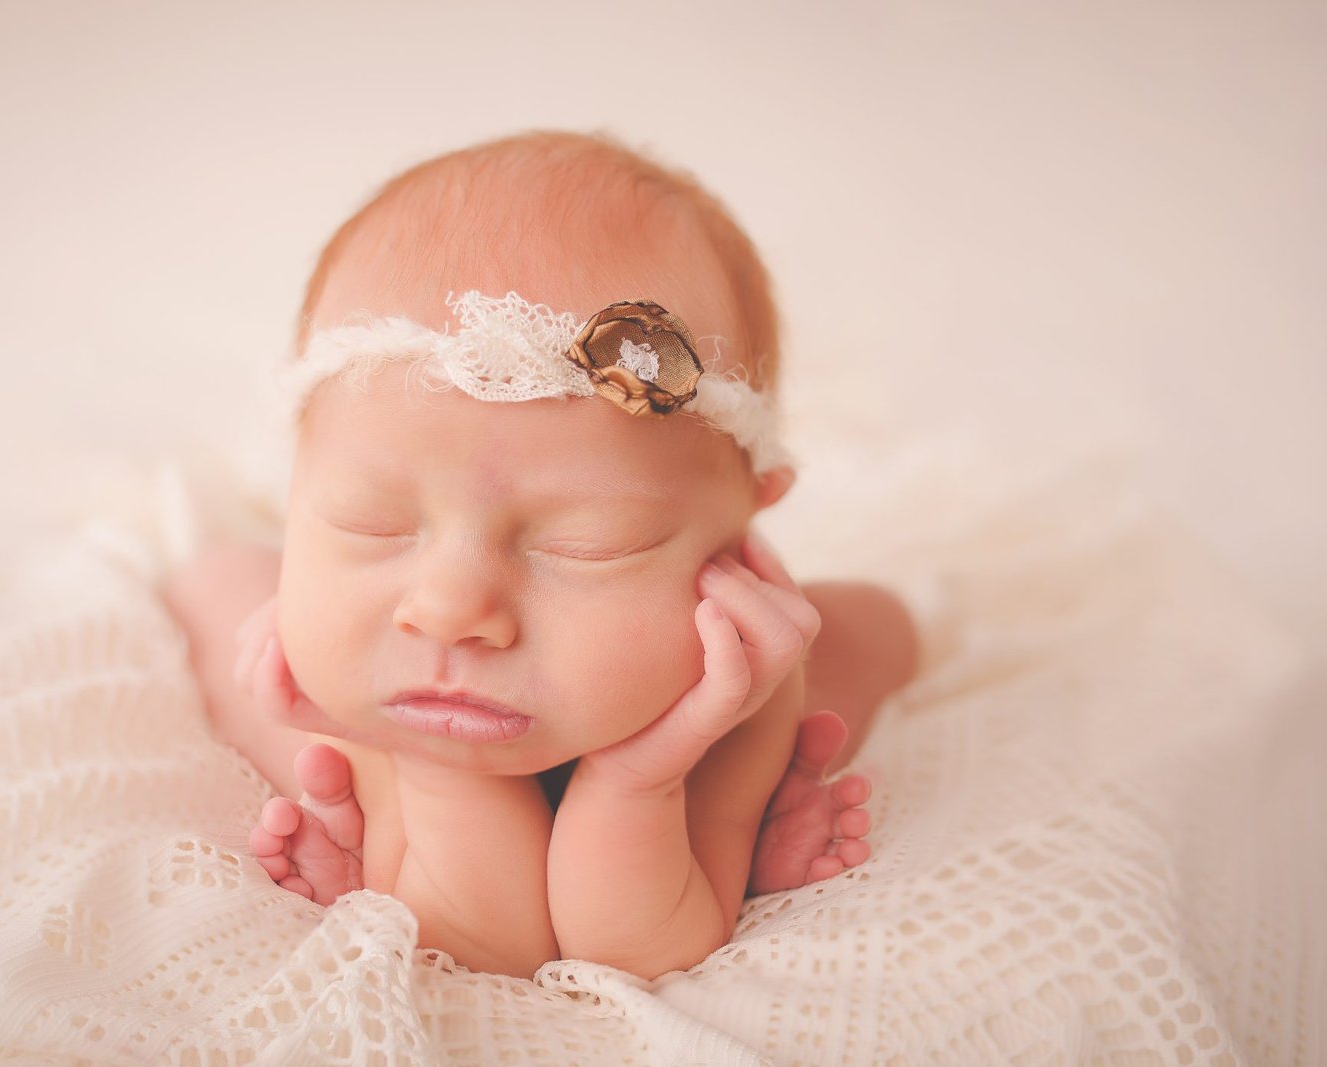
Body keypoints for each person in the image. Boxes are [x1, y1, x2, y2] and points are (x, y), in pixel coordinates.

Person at [158, 129, 920, 980]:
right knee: (220, 582)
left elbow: (629, 953)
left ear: (742, 531)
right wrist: (431, 764)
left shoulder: (727, 693)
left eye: (585, 543)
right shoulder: (380, 680)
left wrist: (640, 779)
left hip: (661, 711)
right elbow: (477, 944)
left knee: (865, 626)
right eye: (370, 521)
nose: (448, 608)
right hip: (375, 703)